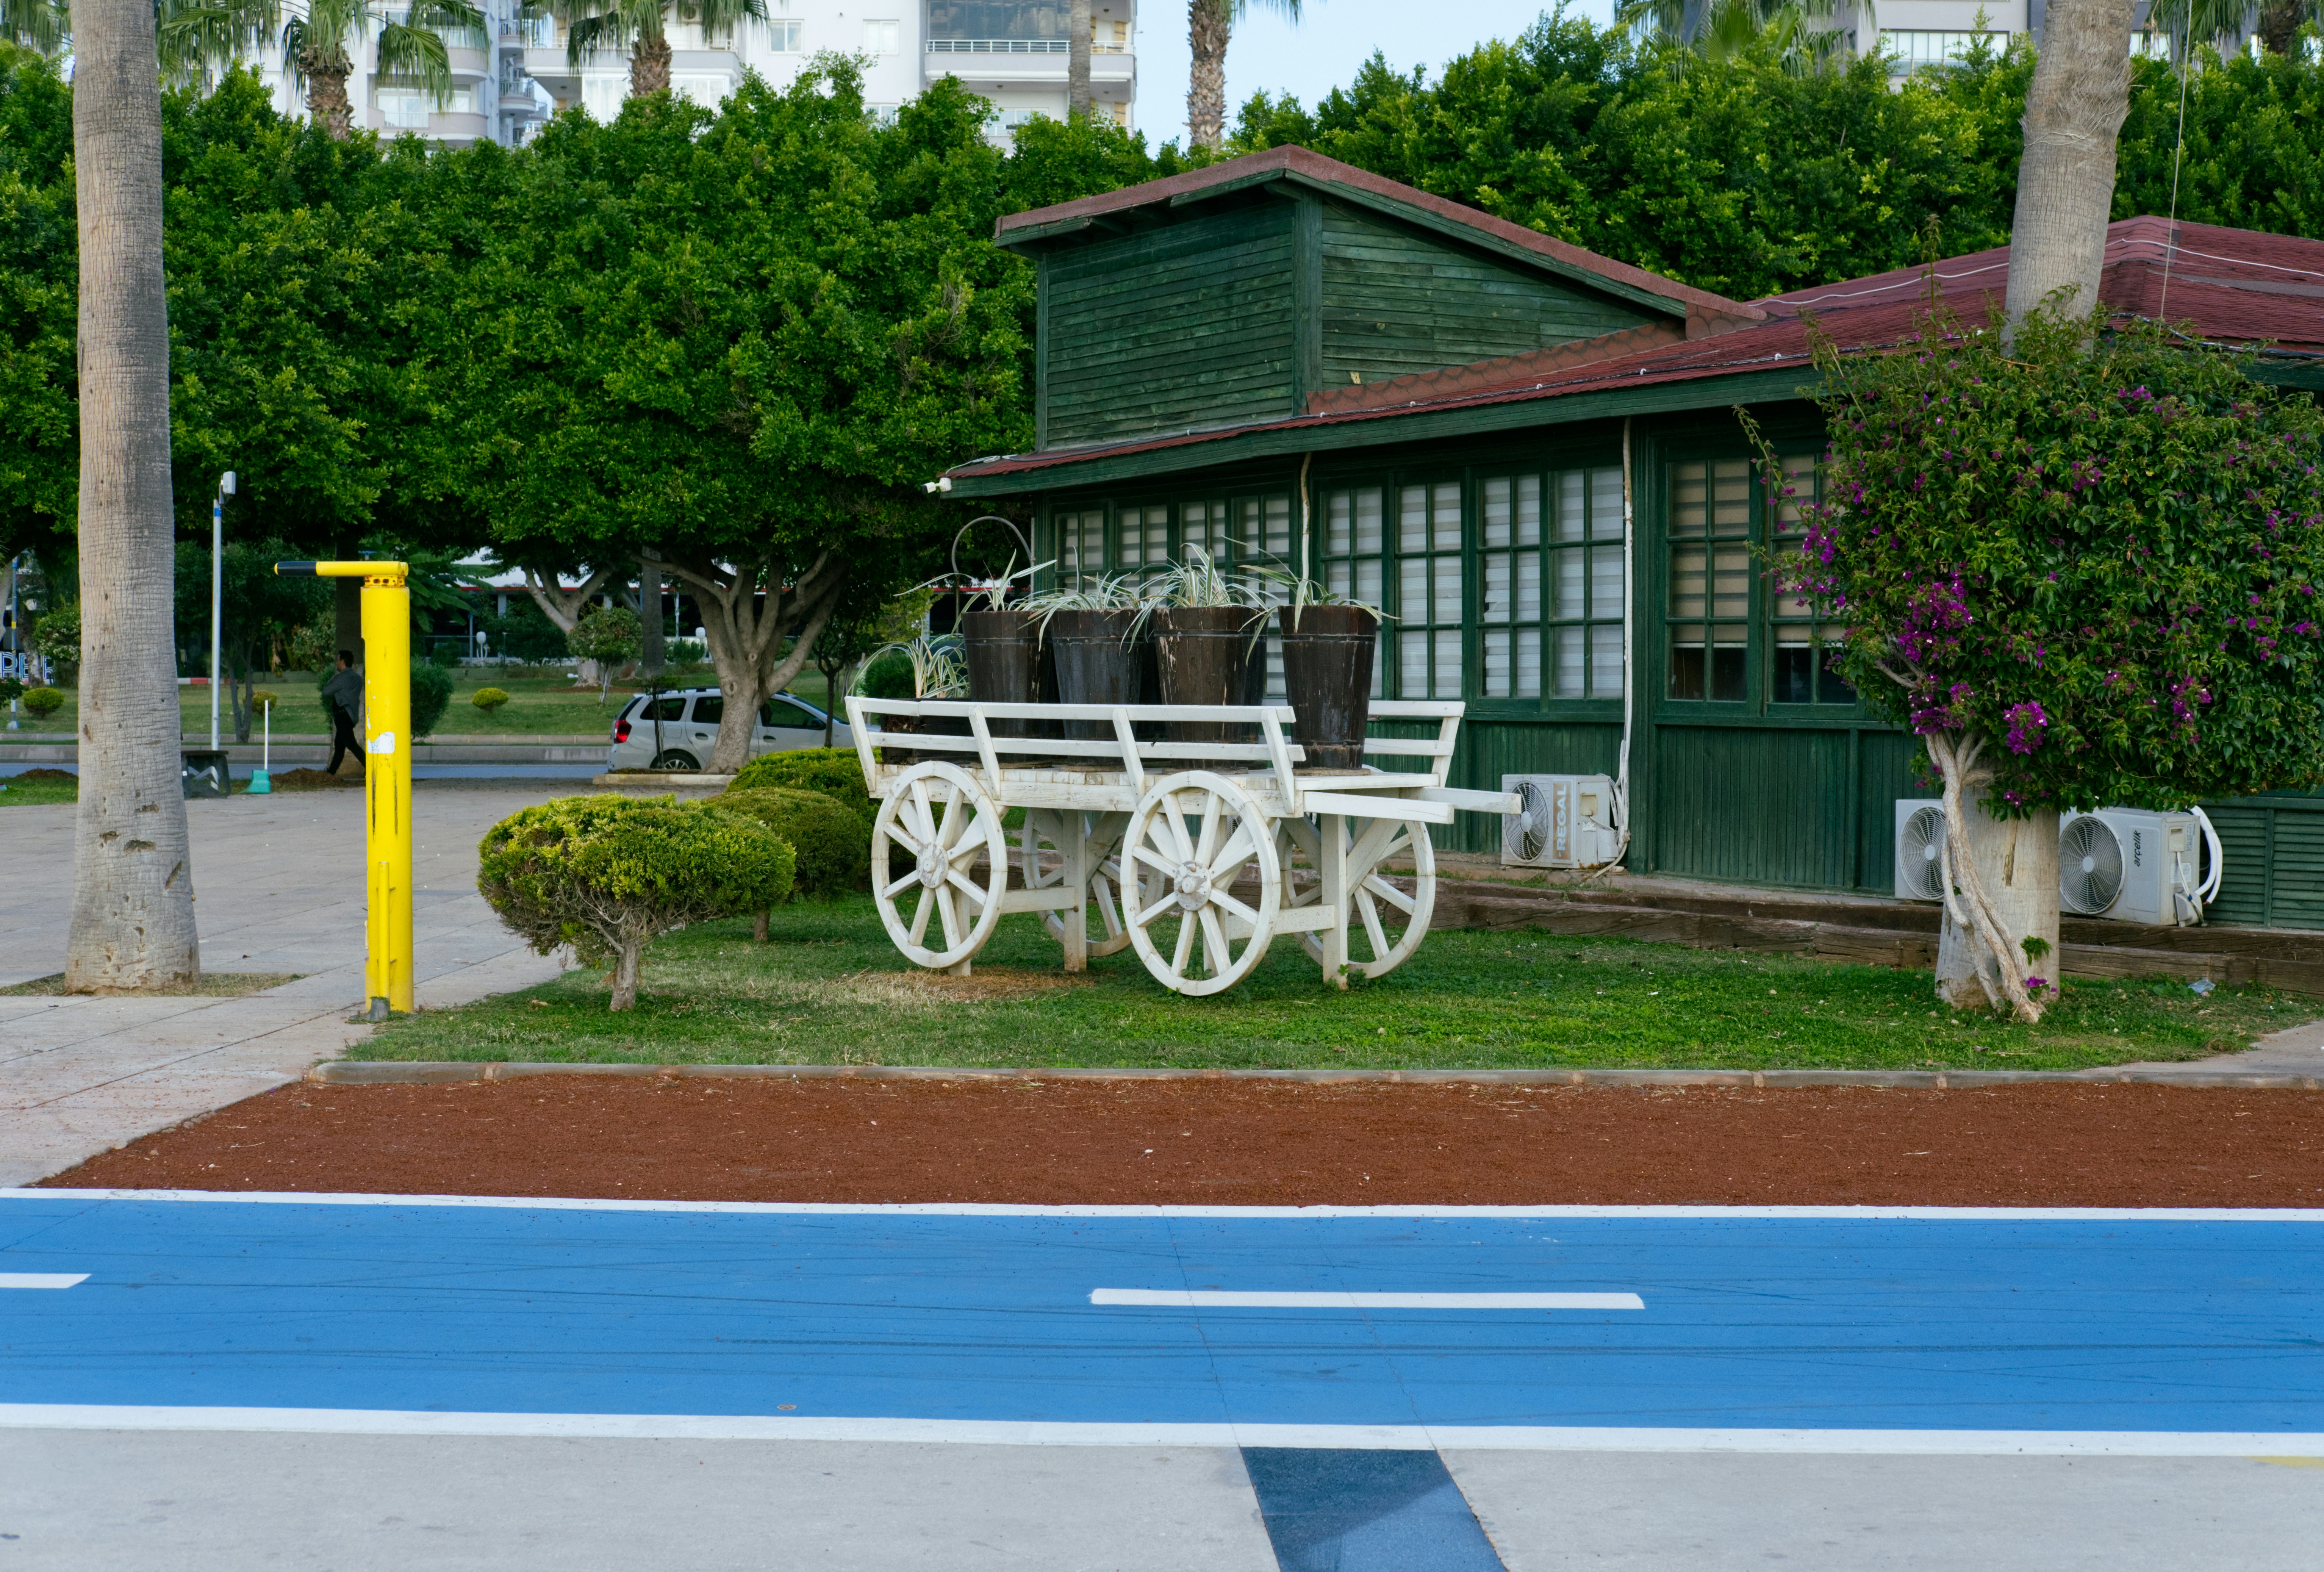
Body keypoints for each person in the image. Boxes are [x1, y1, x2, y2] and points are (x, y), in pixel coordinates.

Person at [321, 649, 365, 776]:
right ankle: (331, 773)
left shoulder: (341, 678)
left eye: (338, 660)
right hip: (351, 716)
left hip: (342, 715)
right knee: (340, 746)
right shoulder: (357, 678)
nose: (336, 663)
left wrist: (333, 679)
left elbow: (326, 691)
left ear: (342, 661)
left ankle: (371, 767)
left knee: (351, 744)